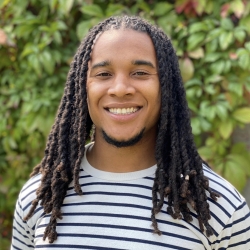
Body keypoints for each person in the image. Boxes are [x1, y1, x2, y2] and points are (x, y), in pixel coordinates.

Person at [11, 15, 250, 250]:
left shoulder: (219, 209)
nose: (120, 89)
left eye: (140, 73)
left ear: (166, 87)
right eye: (103, 74)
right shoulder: (41, 197)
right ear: (82, 87)